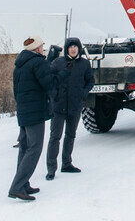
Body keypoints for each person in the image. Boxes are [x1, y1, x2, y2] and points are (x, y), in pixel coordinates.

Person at [9, 35, 56, 201]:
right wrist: (61, 74)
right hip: (35, 110)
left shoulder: (20, 64)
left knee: (25, 146)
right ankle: (16, 187)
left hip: (23, 110)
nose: (43, 48)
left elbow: (16, 90)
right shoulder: (38, 62)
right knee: (34, 148)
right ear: (37, 48)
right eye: (42, 46)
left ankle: (23, 184)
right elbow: (49, 84)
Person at [45, 37, 94, 181]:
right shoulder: (57, 63)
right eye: (70, 47)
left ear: (79, 48)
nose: (73, 49)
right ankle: (51, 169)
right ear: (66, 49)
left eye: (75, 47)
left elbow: (90, 80)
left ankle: (67, 164)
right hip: (58, 107)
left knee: (70, 135)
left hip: (75, 106)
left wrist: (83, 94)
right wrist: (54, 95)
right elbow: (49, 81)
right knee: (55, 137)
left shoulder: (84, 64)